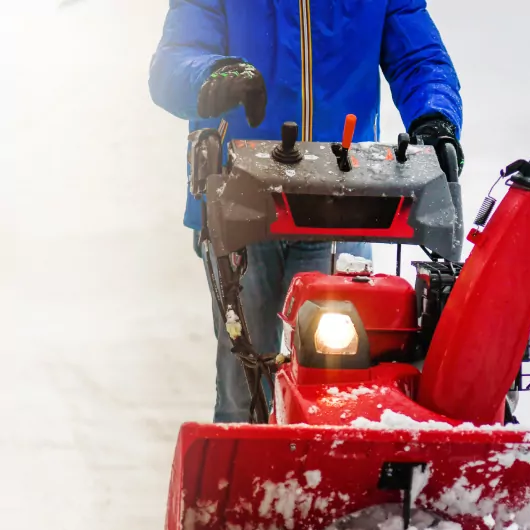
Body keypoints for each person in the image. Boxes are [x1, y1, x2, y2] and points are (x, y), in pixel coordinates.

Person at [148, 1, 464, 423]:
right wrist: (214, 74)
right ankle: (244, 482)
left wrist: (435, 117)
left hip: (347, 201)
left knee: (339, 379)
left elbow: (419, 59)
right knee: (245, 381)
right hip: (241, 199)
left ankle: (326, 481)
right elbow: (173, 62)